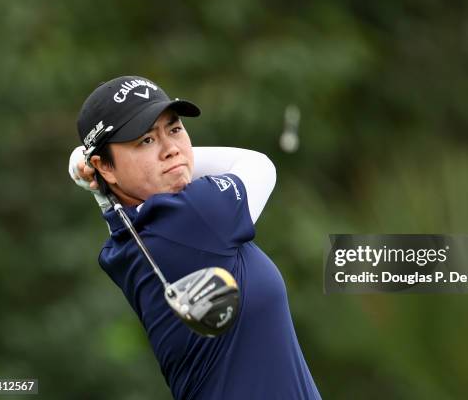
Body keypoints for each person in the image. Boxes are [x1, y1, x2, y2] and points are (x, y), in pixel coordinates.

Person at [68, 76, 321, 399]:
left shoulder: (122, 241)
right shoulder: (197, 216)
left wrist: (92, 165)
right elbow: (258, 165)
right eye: (145, 140)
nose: (171, 150)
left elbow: (115, 198)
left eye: (174, 130)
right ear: (104, 168)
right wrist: (84, 164)